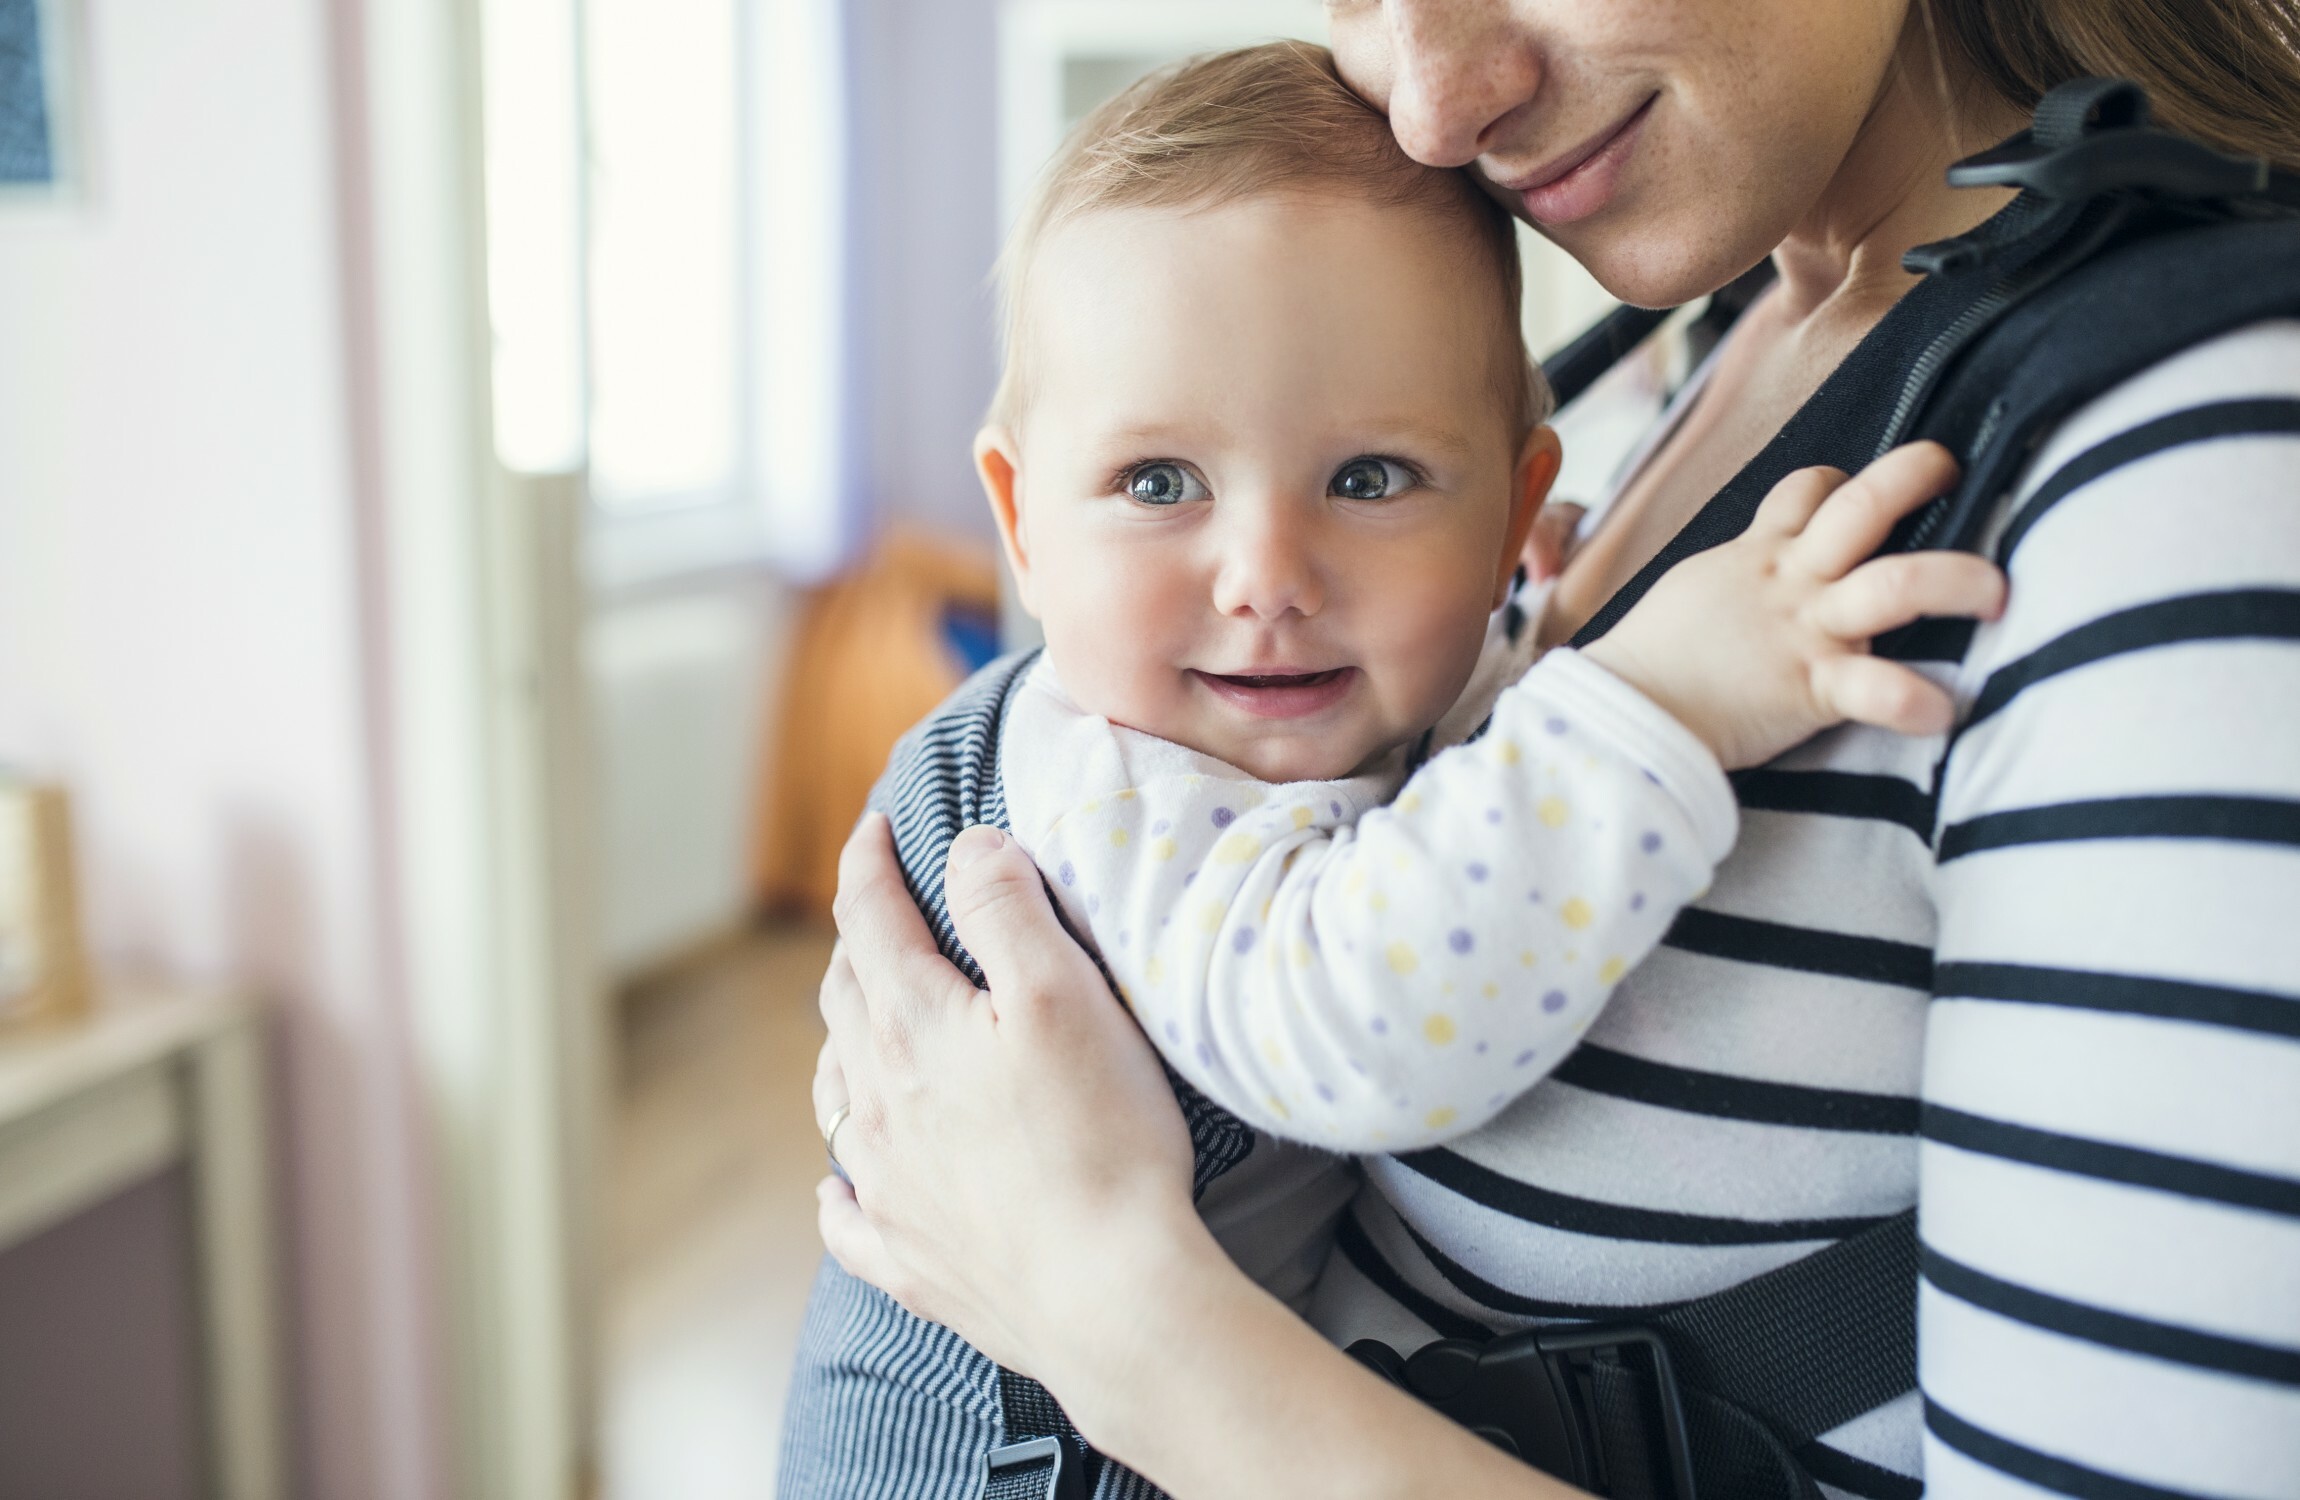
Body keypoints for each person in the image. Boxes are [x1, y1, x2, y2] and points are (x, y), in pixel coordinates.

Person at [806, 3, 2300, 1497]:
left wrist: (1107, 1318)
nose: (1437, 102)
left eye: (1374, 479)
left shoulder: (2189, 474)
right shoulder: (1687, 351)